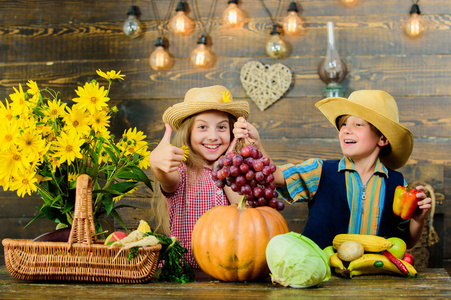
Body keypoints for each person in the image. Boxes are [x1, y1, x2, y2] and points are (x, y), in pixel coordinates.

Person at [233, 90, 432, 249]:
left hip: (374, 282)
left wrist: (418, 221)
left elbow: (405, 243)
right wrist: (257, 146)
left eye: (358, 124)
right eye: (344, 124)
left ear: (382, 139)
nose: (345, 129)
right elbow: (275, 176)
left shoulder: (398, 185)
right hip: (322, 279)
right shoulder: (320, 171)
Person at [149, 85, 249, 267]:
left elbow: (242, 210)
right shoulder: (181, 171)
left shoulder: (235, 173)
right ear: (189, 132)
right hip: (184, 273)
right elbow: (167, 179)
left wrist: (229, 162)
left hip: (226, 271)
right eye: (202, 127)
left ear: (232, 131)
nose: (212, 136)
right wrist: (156, 163)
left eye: (222, 127)